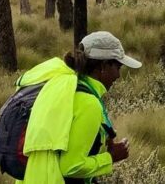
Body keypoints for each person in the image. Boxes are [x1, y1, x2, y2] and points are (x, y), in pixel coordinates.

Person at [17, 31, 141, 183]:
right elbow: (71, 166)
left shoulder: (68, 91)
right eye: (118, 67)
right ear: (103, 66)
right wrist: (110, 157)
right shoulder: (88, 103)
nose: (118, 76)